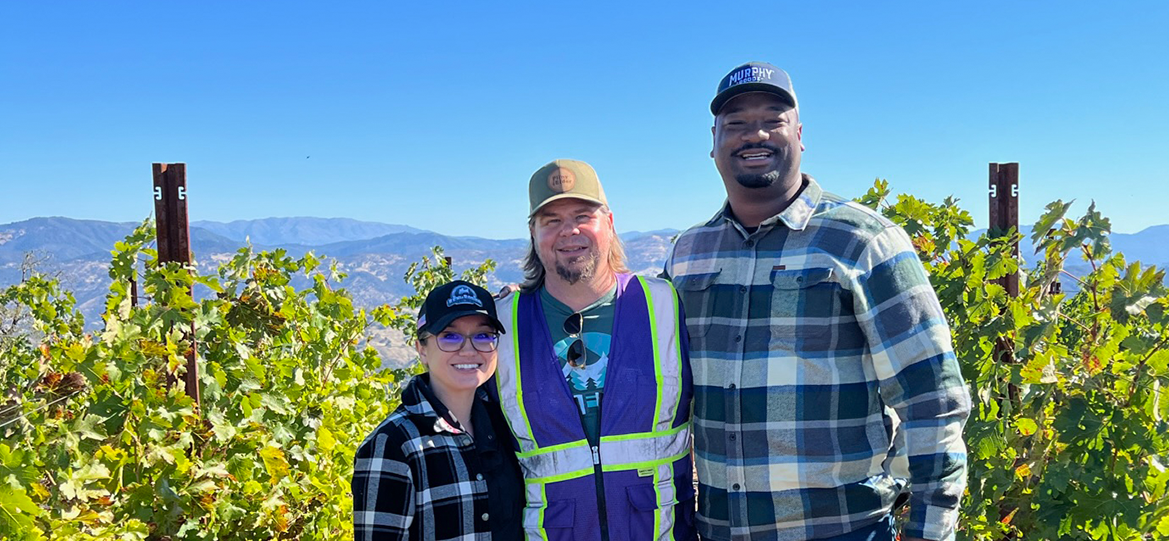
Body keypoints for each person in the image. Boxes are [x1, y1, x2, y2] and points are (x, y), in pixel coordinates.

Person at [663, 62, 972, 541]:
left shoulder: (862, 241)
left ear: (800, 135)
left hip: (843, 530)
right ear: (714, 142)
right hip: (719, 531)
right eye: (737, 124)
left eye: (773, 119)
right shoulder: (687, 254)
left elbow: (932, 398)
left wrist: (929, 530)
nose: (755, 134)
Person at [493, 159, 696, 541]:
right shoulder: (503, 325)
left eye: (583, 215)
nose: (569, 231)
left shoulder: (667, 304)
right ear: (533, 233)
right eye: (551, 220)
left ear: (610, 222)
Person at [353, 280, 525, 541]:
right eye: (450, 336)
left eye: (483, 335)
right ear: (422, 349)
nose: (468, 349)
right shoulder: (393, 444)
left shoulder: (507, 425)